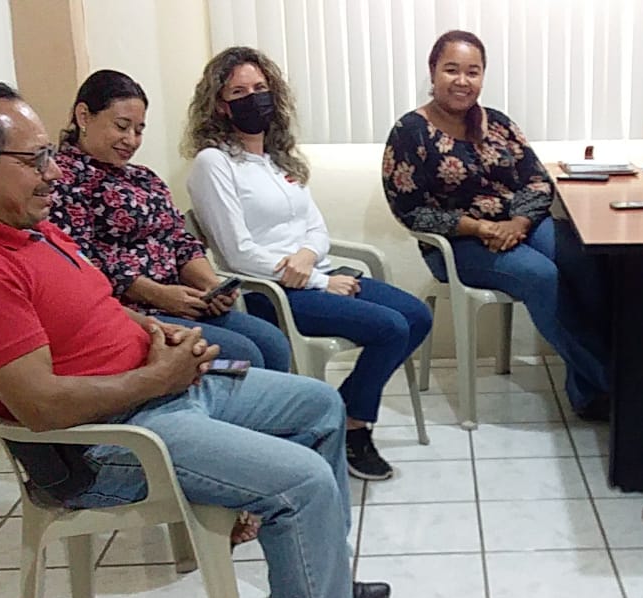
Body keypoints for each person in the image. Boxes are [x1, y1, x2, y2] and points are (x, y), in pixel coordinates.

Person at [0, 80, 406, 598]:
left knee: (319, 405)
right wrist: (158, 377)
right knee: (303, 479)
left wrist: (156, 332)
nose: (52, 173)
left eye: (49, 156)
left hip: (157, 391)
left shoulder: (28, 230)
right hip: (109, 444)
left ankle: (323, 584)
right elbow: (40, 405)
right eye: (34, 159)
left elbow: (97, 306)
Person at [185, 47, 431, 482]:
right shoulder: (213, 163)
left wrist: (308, 258)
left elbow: (316, 228)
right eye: (239, 92)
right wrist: (316, 280)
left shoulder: (278, 159)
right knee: (390, 327)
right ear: (220, 105)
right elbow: (238, 252)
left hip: (315, 273)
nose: (253, 98)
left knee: (416, 316)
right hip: (268, 291)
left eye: (260, 88)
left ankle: (339, 412)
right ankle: (354, 427)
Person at [382, 29, 611, 420]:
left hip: (519, 226)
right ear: (433, 72)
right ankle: (616, 384)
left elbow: (537, 180)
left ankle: (588, 390)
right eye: (451, 69)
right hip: (457, 243)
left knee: (586, 259)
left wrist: (518, 223)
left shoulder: (499, 123)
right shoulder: (410, 132)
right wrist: (478, 228)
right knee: (540, 275)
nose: (462, 80)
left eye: (472, 72)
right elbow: (409, 209)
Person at [48, 69, 292, 376]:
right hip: (130, 313)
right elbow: (78, 263)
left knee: (273, 343)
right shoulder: (63, 180)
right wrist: (157, 294)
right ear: (84, 116)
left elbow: (179, 240)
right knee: (243, 355)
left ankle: (267, 405)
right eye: (121, 126)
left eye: (139, 130)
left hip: (182, 302)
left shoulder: (143, 178)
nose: (131, 140)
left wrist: (210, 286)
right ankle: (217, 402)